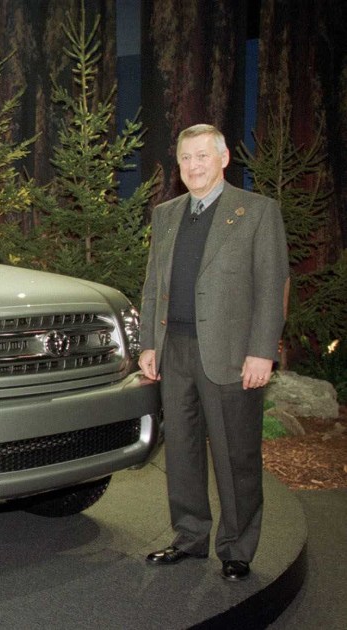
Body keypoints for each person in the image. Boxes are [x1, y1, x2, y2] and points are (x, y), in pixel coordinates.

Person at [138, 124, 289, 581]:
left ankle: (237, 547)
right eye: (186, 158)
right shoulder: (166, 215)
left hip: (229, 354)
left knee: (235, 456)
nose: (194, 165)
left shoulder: (257, 212)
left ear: (224, 159)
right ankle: (189, 537)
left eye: (203, 156)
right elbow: (153, 286)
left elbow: (271, 286)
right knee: (181, 451)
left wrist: (262, 352)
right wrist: (148, 342)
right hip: (175, 350)